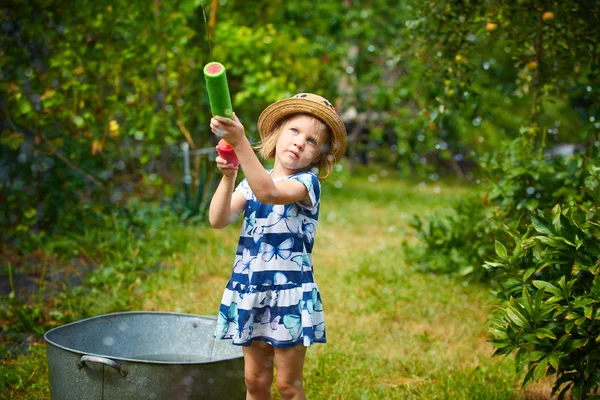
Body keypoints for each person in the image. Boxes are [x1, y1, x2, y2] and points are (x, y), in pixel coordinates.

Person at [208, 93, 347, 400]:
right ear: (277, 134)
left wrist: (240, 142)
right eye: (294, 131)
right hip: (251, 290)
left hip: (289, 296)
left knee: (287, 385)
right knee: (255, 382)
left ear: (317, 156)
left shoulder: (307, 185)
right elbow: (218, 219)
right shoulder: (251, 184)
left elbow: (269, 192)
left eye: (312, 141)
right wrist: (229, 177)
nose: (300, 142)